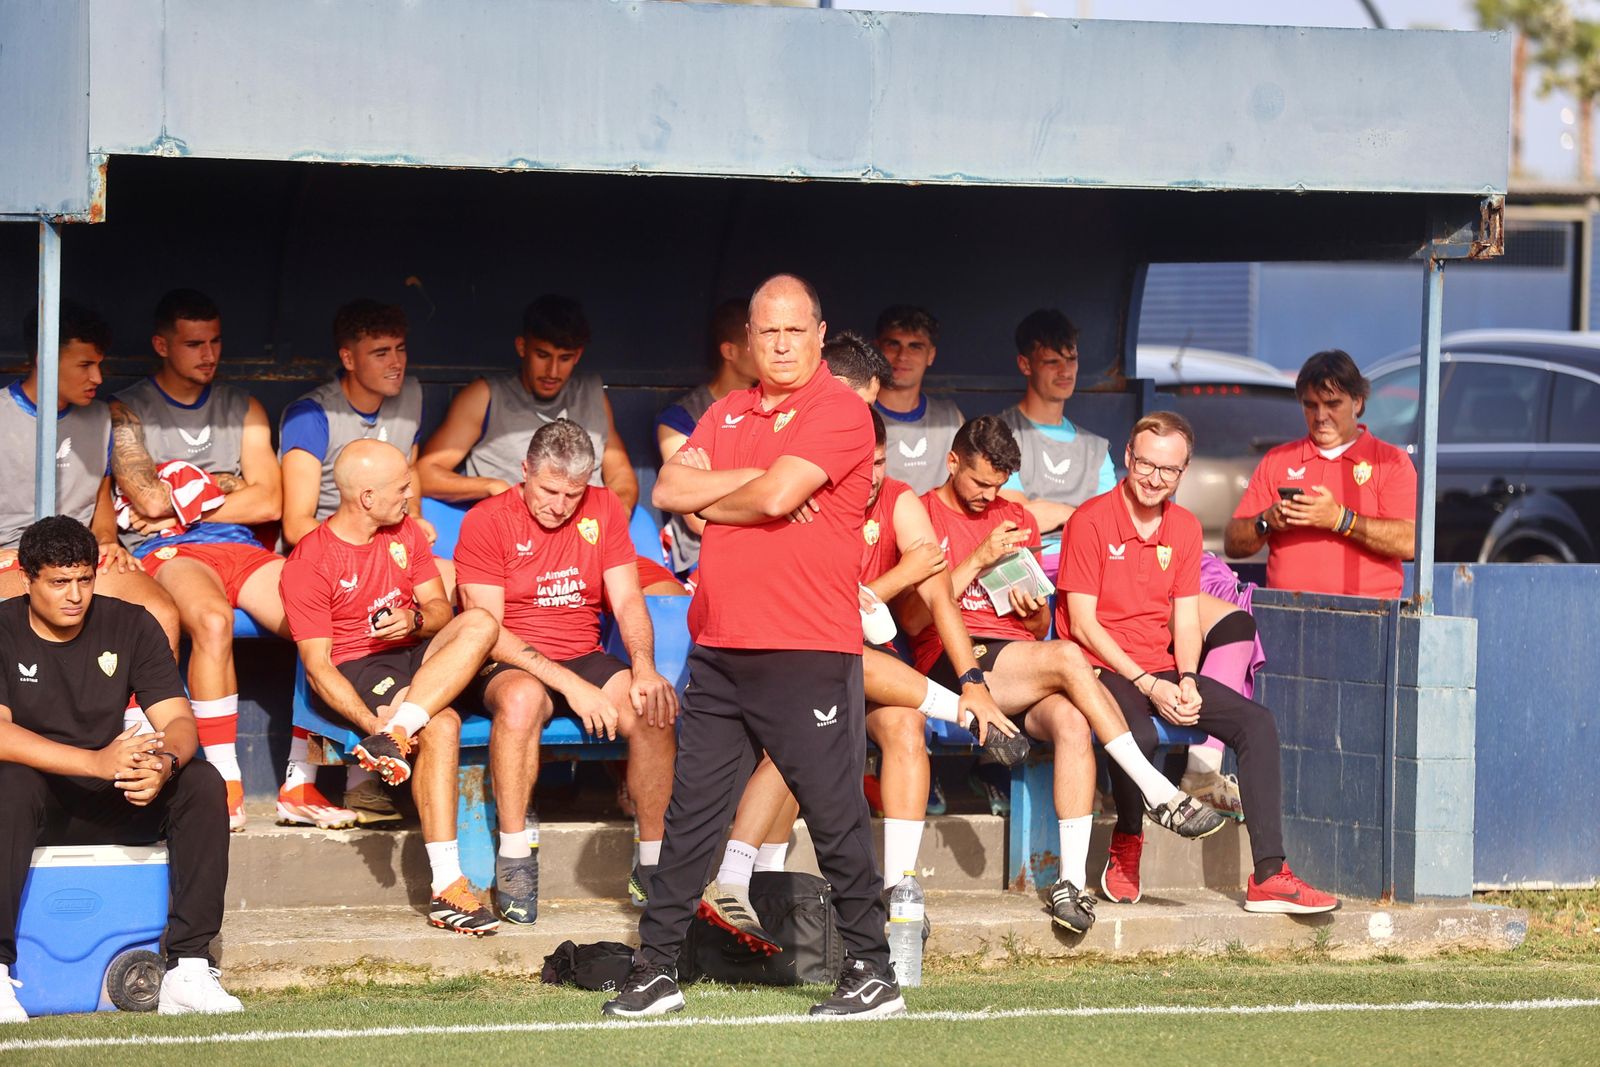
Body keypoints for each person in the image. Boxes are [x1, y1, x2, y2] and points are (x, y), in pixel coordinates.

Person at [605, 274, 902, 1020]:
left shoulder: (839, 409)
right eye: (767, 331)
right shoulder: (729, 409)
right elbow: (671, 492)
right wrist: (758, 486)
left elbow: (768, 498)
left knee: (834, 814)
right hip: (720, 646)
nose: (780, 343)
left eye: (794, 330)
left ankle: (873, 972)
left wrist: (730, 495)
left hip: (806, 647)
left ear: (819, 333)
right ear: (749, 338)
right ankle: (656, 969)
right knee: (691, 815)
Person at [701, 341, 1022, 951]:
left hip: (854, 664)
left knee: (899, 724)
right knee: (811, 715)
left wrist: (974, 678)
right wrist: (893, 582)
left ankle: (901, 889)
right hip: (775, 652)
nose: (870, 472)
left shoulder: (898, 499)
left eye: (879, 459)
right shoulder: (793, 490)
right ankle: (739, 879)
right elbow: (823, 605)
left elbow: (939, 599)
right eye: (863, 458)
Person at [281, 440, 619, 935]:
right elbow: (317, 667)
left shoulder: (404, 533)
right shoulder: (311, 560)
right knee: (443, 722)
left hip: (418, 654)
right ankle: (446, 887)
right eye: (401, 486)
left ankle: (398, 732)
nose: (410, 491)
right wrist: (367, 721)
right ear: (367, 497)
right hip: (362, 670)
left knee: (479, 621)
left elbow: (440, 612)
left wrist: (414, 619)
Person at [913, 415, 1225, 933]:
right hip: (953, 660)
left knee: (1074, 723)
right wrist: (975, 558)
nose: (985, 496)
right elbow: (915, 618)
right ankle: (1156, 788)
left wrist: (1033, 609)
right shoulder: (922, 514)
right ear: (952, 463)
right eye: (976, 483)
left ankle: (1072, 884)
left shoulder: (1015, 517)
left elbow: (1035, 625)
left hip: (1018, 661)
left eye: (996, 486)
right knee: (1068, 656)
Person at [1058, 411, 1339, 915]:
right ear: (1128, 457)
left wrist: (1187, 677)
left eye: (1168, 470)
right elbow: (1081, 625)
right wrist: (1148, 684)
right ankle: (1126, 838)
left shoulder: (1184, 526)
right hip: (1099, 666)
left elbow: (1185, 620)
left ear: (1183, 472)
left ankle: (1270, 876)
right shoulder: (1091, 520)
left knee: (1258, 723)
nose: (1154, 479)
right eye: (1146, 464)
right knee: (1138, 734)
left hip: (1161, 666)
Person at [0, 516, 240, 1022]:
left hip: (114, 795)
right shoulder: (2, 629)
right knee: (8, 781)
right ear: (27, 578)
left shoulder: (130, 623)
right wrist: (93, 760)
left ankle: (189, 971)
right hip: (37, 801)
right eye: (59, 582)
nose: (74, 595)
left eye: (84, 579)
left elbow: (177, 718)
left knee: (199, 781)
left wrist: (163, 762)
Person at [455, 419, 676, 924]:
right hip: (510, 656)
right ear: (524, 471)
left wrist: (643, 667)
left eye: (571, 494)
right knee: (522, 700)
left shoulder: (602, 508)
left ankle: (652, 863)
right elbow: (487, 631)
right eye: (548, 490)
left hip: (581, 651)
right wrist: (573, 686)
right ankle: (513, 854)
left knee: (654, 707)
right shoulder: (487, 520)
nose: (558, 505)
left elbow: (627, 599)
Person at [110, 289, 289, 831]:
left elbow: (271, 500)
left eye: (214, 342)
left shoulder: (245, 405)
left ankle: (307, 775)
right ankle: (225, 778)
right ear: (162, 345)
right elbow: (149, 502)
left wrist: (186, 489)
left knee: (317, 613)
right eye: (193, 344)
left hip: (239, 545)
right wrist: (220, 486)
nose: (208, 354)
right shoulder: (126, 407)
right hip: (170, 551)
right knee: (211, 621)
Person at [276, 299, 431, 829]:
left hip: (384, 540)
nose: (396, 363)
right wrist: (361, 549)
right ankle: (321, 775)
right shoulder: (311, 414)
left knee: (451, 587)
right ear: (347, 357)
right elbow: (295, 523)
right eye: (380, 352)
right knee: (341, 618)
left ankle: (380, 763)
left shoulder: (410, 396)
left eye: (401, 349)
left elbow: (411, 488)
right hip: (326, 554)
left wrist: (411, 527)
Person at [0, 304, 180, 653]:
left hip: (82, 560)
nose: (97, 378)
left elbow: (99, 494)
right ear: (45, 359)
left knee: (160, 614)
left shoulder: (100, 418)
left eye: (99, 365)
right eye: (85, 365)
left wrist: (107, 537)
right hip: (12, 557)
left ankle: (145, 710)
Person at [1224, 349, 1417, 597]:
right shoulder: (1278, 459)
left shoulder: (1390, 460)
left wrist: (1340, 520)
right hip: (1286, 614)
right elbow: (1232, 543)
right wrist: (1266, 521)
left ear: (1357, 402)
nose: (1320, 416)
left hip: (1368, 620)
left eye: (1332, 404)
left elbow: (1410, 542)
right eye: (1310, 405)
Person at [417, 294, 637, 511]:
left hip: (585, 531)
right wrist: (491, 486)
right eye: (542, 355)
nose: (552, 371)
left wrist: (619, 511)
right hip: (514, 531)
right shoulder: (485, 396)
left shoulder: (593, 394)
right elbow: (425, 473)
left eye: (565, 358)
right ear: (522, 347)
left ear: (578, 356)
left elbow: (619, 471)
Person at [996, 309, 1116, 579]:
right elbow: (1019, 521)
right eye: (1052, 361)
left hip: (1093, 569)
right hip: (1026, 569)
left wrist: (1062, 514)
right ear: (1025, 365)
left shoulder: (1095, 448)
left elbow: (1110, 526)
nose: (1065, 371)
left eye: (1071, 359)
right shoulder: (999, 433)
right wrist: (1078, 516)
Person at [656, 298, 759, 577]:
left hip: (763, 549)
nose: (769, 350)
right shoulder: (681, 417)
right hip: (701, 555)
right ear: (730, 351)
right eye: (754, 344)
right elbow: (692, 514)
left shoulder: (771, 407)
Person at [873, 305, 965, 495]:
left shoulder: (951, 419)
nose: (902, 356)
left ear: (930, 355)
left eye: (915, 346)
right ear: (877, 349)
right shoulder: (858, 415)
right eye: (893, 344)